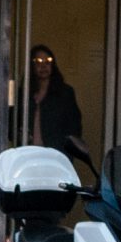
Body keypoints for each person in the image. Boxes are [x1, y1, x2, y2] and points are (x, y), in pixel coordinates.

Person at [27, 45, 89, 175]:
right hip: (29, 155)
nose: (43, 66)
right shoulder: (25, 93)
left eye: (48, 61)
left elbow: (74, 126)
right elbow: (13, 122)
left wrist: (66, 151)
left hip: (56, 155)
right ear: (32, 65)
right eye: (38, 61)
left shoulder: (65, 93)